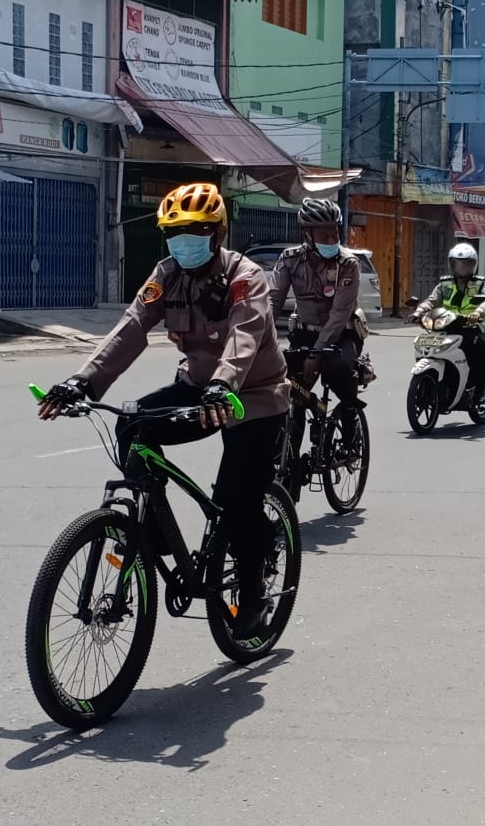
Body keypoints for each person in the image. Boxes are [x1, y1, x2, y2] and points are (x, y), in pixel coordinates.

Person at [37, 182, 289, 635]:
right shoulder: (166, 274)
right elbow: (131, 327)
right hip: (199, 389)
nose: (182, 240)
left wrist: (222, 385)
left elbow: (245, 337)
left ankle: (253, 591)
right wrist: (83, 381)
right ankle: (150, 536)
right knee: (133, 425)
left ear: (217, 232)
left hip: (253, 397)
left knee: (237, 498)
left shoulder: (245, 276)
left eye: (194, 230)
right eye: (173, 231)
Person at [269, 197, 363, 439]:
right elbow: (273, 301)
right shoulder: (289, 259)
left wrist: (317, 352)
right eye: (324, 234)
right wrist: (260, 338)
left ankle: (350, 414)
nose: (331, 239)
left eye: (334, 232)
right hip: (304, 332)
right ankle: (291, 461)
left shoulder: (348, 264)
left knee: (336, 370)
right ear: (307, 234)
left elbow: (340, 313)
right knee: (294, 392)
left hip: (342, 333)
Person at [409, 242, 485, 393]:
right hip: (445, 325)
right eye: (457, 264)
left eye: (465, 264)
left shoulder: (479, 285)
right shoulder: (444, 285)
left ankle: (482, 387)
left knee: (480, 348)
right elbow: (431, 301)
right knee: (427, 346)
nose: (461, 268)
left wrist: (477, 313)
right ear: (451, 264)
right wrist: (418, 312)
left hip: (470, 327)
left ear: (472, 265)